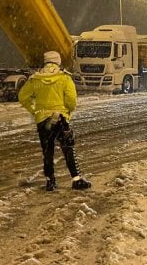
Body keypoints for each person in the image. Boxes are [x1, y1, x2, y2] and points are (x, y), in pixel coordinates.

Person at [18, 51, 92, 191]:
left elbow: (23, 97)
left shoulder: (35, 79)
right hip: (60, 118)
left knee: (47, 151)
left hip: (42, 120)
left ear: (45, 62)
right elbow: (72, 101)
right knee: (68, 149)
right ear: (58, 62)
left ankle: (50, 181)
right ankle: (76, 180)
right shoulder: (64, 78)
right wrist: (67, 111)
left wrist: (34, 110)